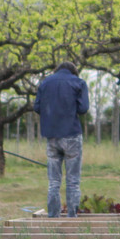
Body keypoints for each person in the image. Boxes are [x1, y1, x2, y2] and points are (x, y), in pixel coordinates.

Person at [34, 61, 90, 218]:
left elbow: (37, 107)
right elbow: (84, 108)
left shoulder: (45, 83)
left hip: (51, 135)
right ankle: (72, 216)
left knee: (54, 181)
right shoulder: (79, 83)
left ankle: (53, 216)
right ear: (74, 71)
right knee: (72, 181)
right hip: (72, 134)